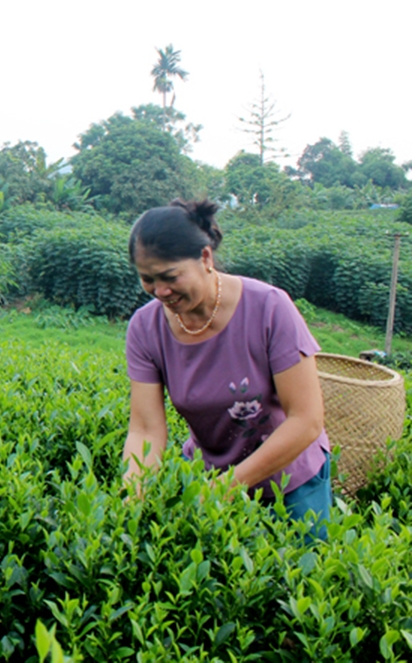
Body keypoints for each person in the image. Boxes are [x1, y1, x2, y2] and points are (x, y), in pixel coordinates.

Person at [122, 199, 331, 537]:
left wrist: (227, 488)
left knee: (301, 578)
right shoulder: (145, 329)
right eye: (147, 279)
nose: (160, 291)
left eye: (170, 276)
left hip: (291, 480)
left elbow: (306, 420)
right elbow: (145, 430)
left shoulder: (270, 308)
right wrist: (135, 492)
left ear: (205, 258)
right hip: (209, 477)